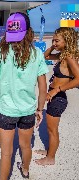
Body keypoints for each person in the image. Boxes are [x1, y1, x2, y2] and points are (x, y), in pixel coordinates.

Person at [0, 12, 49, 179]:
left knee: (6, 154)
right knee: (26, 146)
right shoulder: (36, 53)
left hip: (6, 110)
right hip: (28, 110)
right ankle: (26, 170)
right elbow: (43, 87)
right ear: (28, 31)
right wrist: (39, 109)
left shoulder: (0, 54)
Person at [35, 27, 79, 166]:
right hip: (54, 97)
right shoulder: (63, 55)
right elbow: (45, 57)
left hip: (58, 98)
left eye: (57, 40)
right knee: (50, 129)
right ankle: (49, 151)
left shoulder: (70, 57)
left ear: (67, 40)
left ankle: (50, 158)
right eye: (53, 40)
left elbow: (78, 79)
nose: (54, 42)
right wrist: (53, 46)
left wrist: (56, 90)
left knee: (52, 130)